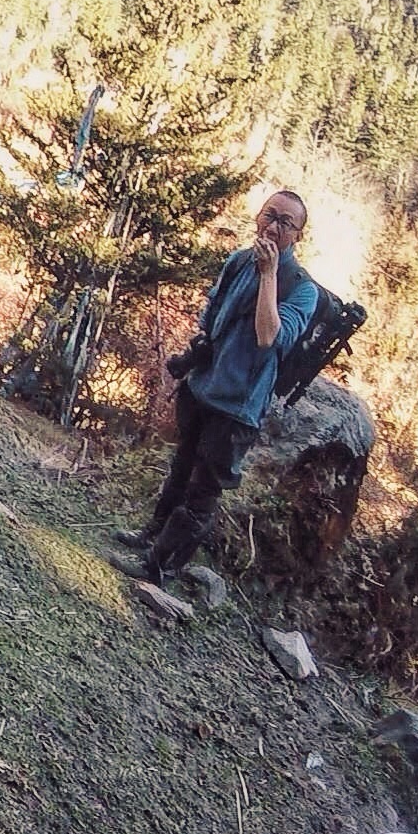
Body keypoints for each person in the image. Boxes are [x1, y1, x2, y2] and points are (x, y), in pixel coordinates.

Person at [112, 189, 319, 583]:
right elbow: (212, 314)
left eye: (285, 223)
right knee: (180, 468)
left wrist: (269, 276)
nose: (273, 227)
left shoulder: (300, 288)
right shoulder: (238, 260)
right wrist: (193, 356)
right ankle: (151, 537)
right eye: (269, 215)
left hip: (238, 407)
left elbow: (267, 336)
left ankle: (159, 567)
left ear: (297, 236)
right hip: (203, 387)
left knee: (203, 491)